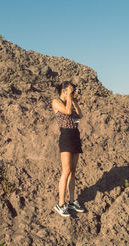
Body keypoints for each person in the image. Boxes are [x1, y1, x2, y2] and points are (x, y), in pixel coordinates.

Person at [52, 81, 85, 217]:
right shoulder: (56, 101)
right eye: (70, 90)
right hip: (65, 136)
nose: (71, 93)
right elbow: (66, 111)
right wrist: (70, 97)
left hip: (75, 135)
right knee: (65, 171)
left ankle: (72, 201)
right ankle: (60, 204)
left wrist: (75, 100)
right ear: (64, 91)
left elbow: (80, 115)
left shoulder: (71, 102)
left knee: (73, 171)